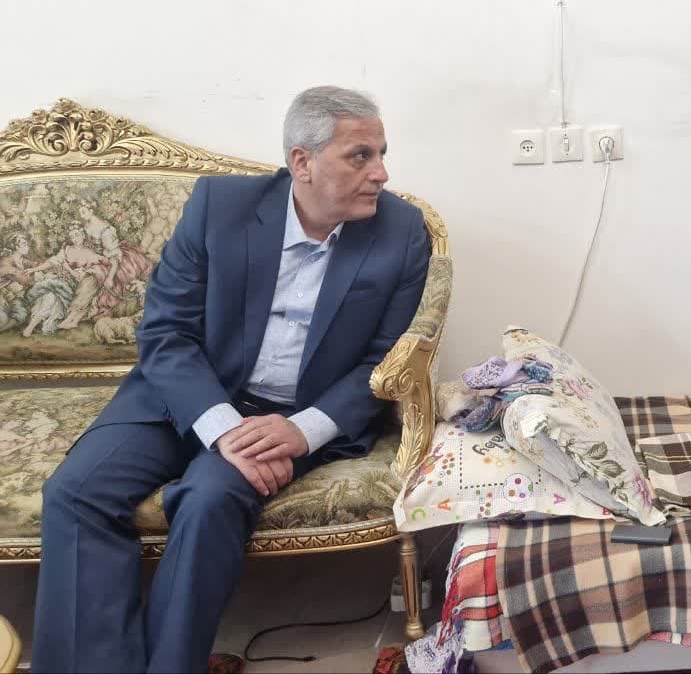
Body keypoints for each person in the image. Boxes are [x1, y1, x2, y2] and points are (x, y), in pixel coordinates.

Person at [32, 86, 431, 673]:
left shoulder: (402, 231)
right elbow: (166, 333)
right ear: (302, 162)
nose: (381, 173)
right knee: (75, 492)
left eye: (381, 154)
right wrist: (222, 428)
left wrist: (302, 432)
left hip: (292, 417)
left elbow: (380, 362)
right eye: (360, 156)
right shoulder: (219, 207)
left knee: (209, 498)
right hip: (182, 398)